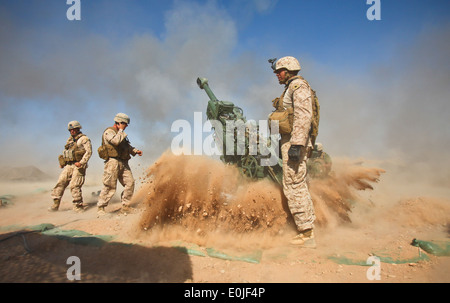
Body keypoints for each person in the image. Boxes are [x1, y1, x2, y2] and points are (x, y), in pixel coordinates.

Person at [271, 56, 316, 247]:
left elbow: (303, 116)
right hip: (290, 142)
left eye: (279, 71)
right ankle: (305, 228)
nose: (277, 75)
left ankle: (306, 233)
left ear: (288, 71)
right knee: (294, 183)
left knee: (295, 185)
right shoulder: (291, 88)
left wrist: (297, 145)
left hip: (295, 143)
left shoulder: (298, 87)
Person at [97, 113, 142, 216]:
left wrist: (135, 151)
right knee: (110, 186)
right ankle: (101, 207)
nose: (126, 126)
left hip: (123, 162)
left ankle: (126, 206)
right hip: (112, 162)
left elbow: (126, 146)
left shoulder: (121, 134)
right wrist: (121, 130)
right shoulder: (109, 132)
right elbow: (116, 141)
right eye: (124, 124)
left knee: (130, 183)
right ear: (119, 122)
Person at [50, 121, 92, 212]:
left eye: (74, 129)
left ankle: (78, 206)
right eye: (70, 130)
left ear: (78, 129)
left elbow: (88, 152)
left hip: (78, 165)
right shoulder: (70, 140)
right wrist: (63, 162)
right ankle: (55, 204)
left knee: (74, 185)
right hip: (69, 165)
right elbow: (67, 152)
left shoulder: (84, 139)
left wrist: (81, 162)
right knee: (61, 182)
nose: (72, 131)